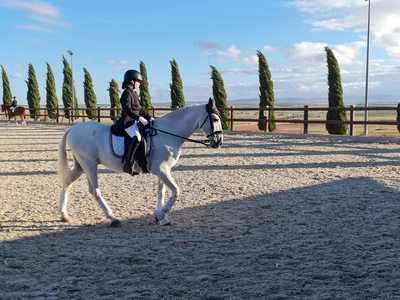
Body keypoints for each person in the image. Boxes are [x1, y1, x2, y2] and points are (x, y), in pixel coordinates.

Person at [115, 69, 150, 174]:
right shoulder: (126, 93)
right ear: (132, 81)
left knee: (144, 135)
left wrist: (149, 117)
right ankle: (128, 164)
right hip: (127, 122)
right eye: (138, 82)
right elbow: (127, 109)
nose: (139, 84)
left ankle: (142, 163)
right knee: (137, 137)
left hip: (134, 121)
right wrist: (138, 118)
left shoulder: (134, 93)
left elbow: (140, 109)